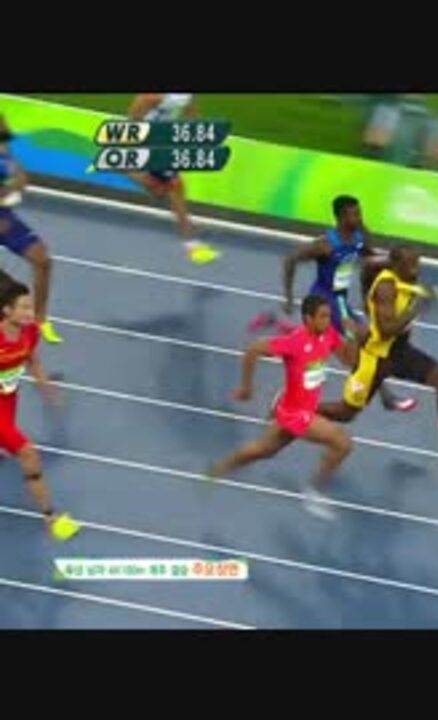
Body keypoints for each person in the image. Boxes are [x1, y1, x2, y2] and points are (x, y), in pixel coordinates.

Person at [318, 245, 438, 473]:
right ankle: (297, 409)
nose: (416, 270)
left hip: (400, 353)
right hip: (375, 359)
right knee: (346, 414)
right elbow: (386, 331)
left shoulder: (405, 279)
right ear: (397, 266)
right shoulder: (386, 288)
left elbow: (370, 265)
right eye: (410, 266)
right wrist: (417, 307)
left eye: (417, 264)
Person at [251, 194, 416, 413]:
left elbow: (370, 257)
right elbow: (290, 260)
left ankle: (278, 331)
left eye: (360, 213)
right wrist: (288, 297)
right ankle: (385, 395)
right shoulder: (326, 245)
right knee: (360, 344)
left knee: (341, 349)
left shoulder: (359, 237)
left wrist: (393, 264)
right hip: (325, 300)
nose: (359, 218)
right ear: (341, 217)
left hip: (341, 300)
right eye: (354, 214)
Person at [210, 295, 356, 517]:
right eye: (323, 317)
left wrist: (352, 335)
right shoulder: (295, 342)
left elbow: (349, 361)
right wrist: (246, 388)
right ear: (308, 319)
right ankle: (313, 492)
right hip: (295, 414)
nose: (328, 321)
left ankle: (218, 469)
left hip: (301, 407)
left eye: (329, 316)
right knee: (342, 443)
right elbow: (254, 349)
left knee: (263, 450)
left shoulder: (329, 334)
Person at [0, 281, 79, 540]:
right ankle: (50, 517)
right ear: (7, 311)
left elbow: (32, 359)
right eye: (23, 308)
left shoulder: (31, 331)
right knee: (28, 454)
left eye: (31, 307)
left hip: (8, 399)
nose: (30, 313)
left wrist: (45, 387)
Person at [127, 94, 220, 265]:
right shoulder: (152, 97)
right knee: (175, 187)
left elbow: (191, 111)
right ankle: (192, 243)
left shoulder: (185, 96)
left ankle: (137, 175)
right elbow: (134, 118)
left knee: (166, 188)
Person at [0, 115, 62, 344]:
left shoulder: (3, 146)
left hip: (4, 217)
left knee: (42, 260)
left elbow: (20, 178)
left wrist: (15, 186)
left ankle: (40, 319)